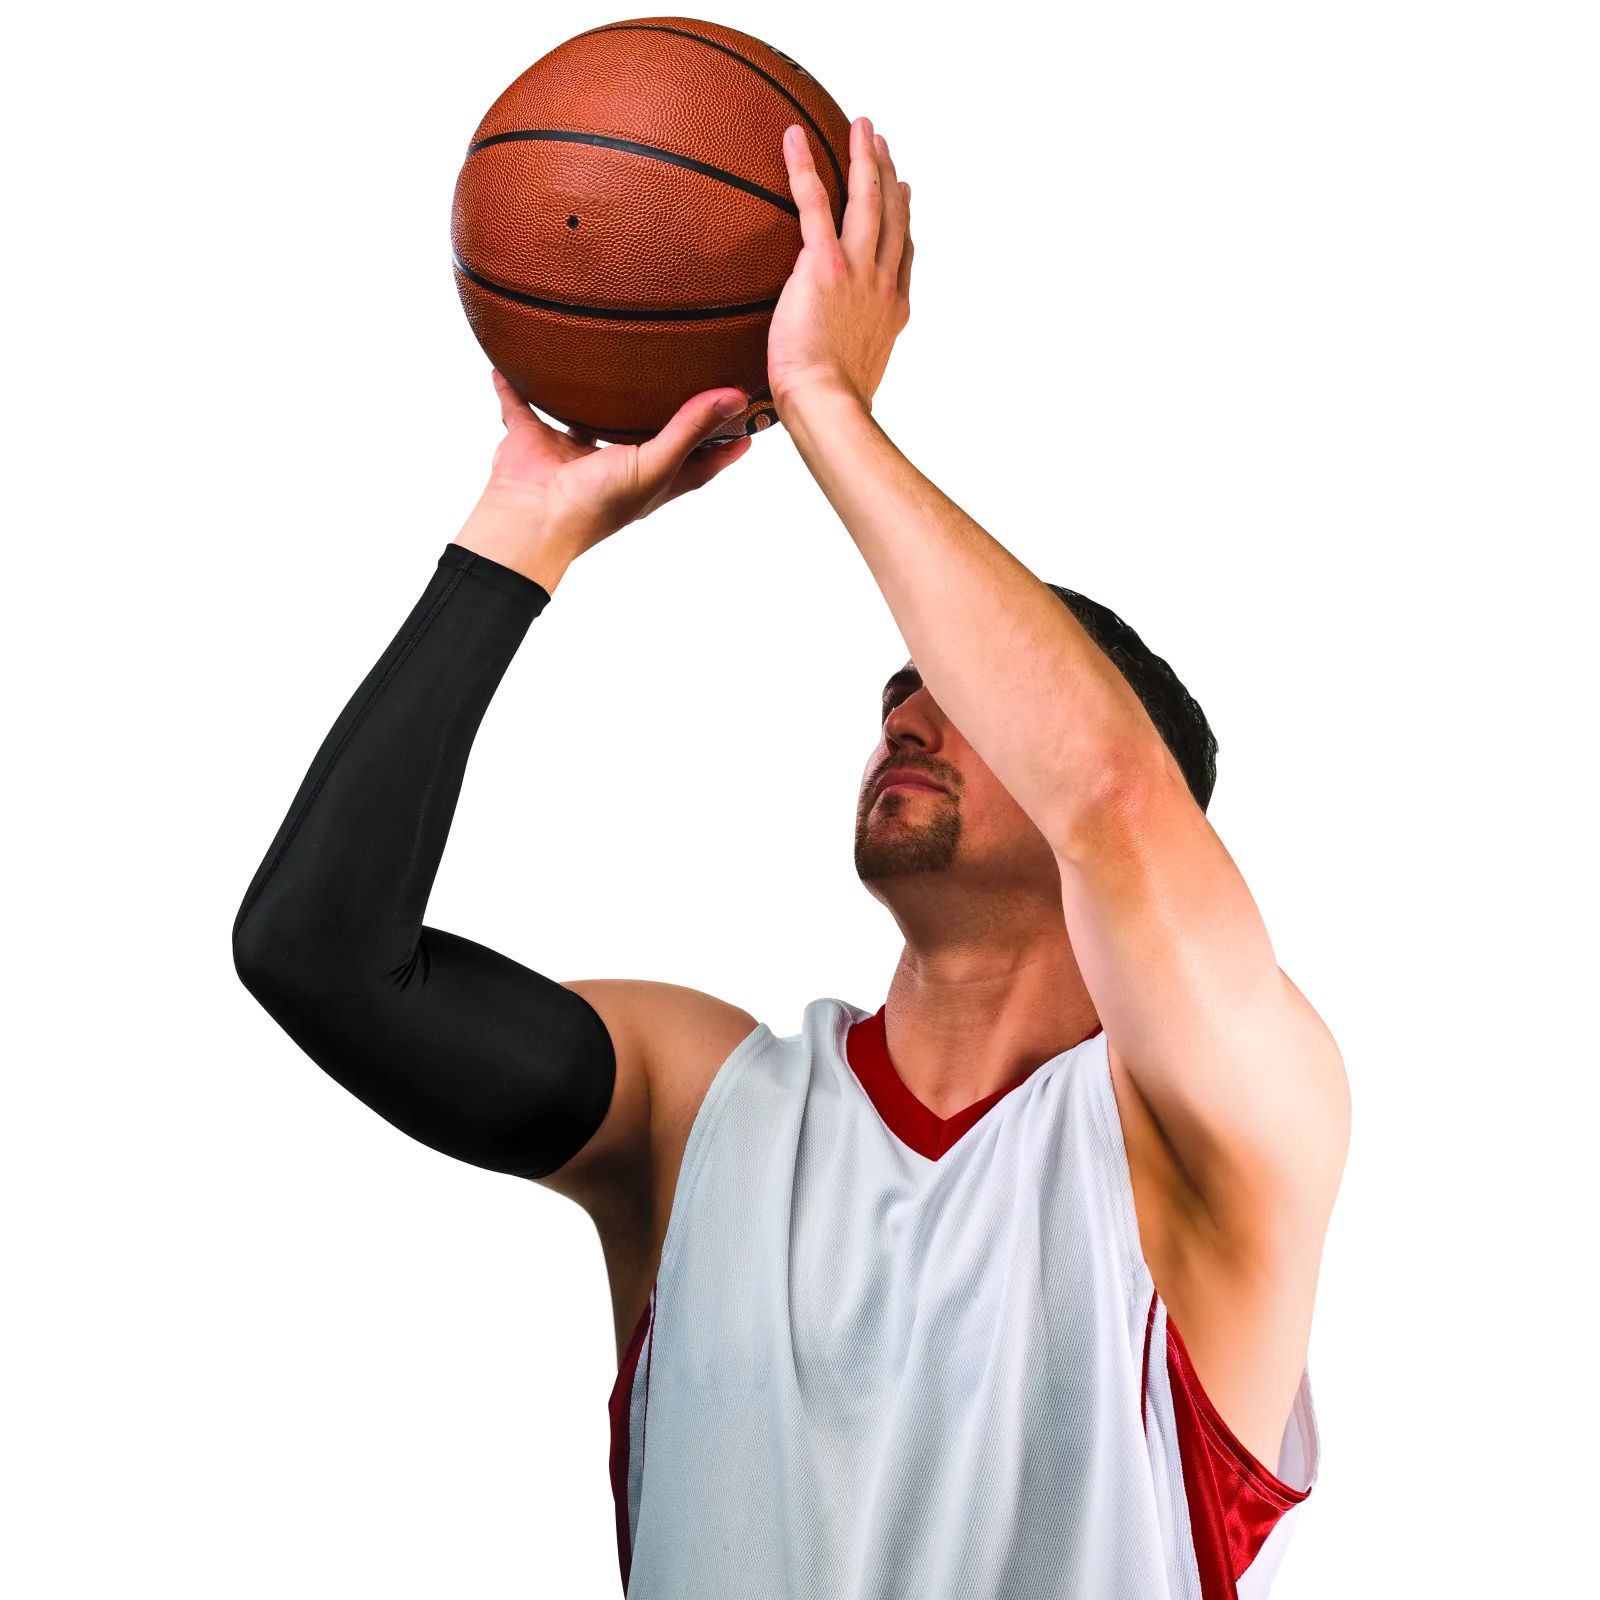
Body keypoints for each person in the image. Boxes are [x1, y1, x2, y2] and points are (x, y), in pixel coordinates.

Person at [232, 115, 1348, 1600]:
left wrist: (823, 402)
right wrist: (522, 534)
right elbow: (317, 952)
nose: (910, 707)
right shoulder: (699, 1106)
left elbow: (1113, 798)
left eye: (967, 691)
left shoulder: (1218, 1139)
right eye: (899, 691)